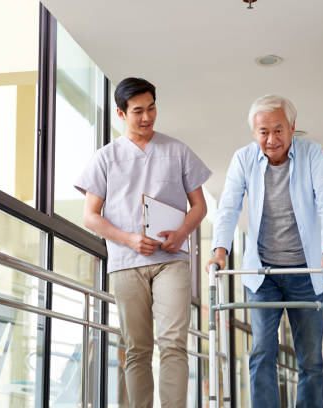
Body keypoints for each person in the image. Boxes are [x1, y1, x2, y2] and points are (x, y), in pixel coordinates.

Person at [75, 77, 211, 408]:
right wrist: (129, 239)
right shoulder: (105, 158)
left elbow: (200, 207)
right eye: (138, 111)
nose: (147, 117)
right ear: (121, 114)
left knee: (174, 342)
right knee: (137, 347)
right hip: (126, 262)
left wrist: (180, 234)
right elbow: (90, 216)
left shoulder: (177, 150)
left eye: (151, 109)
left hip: (171, 259)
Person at [206, 94, 323, 407]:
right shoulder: (243, 159)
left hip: (305, 273)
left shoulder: (311, 155)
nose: (271, 139)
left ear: (293, 127)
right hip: (262, 273)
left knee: (311, 360)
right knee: (261, 353)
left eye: (278, 130)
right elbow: (227, 207)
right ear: (254, 133)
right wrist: (218, 251)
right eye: (263, 132)